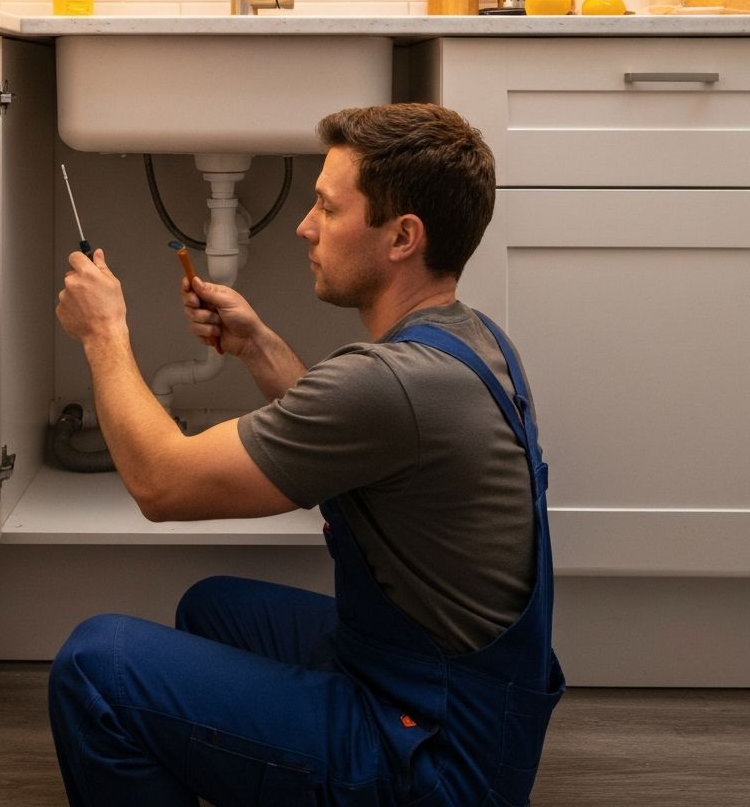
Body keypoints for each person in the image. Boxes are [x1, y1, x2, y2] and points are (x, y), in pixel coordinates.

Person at [48, 102, 564, 807]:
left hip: (435, 761)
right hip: (458, 696)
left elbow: (161, 485)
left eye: (328, 207)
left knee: (95, 665)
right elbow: (355, 446)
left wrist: (103, 333)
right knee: (214, 609)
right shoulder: (472, 344)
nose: (304, 225)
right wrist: (256, 343)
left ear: (402, 237)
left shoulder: (390, 384)